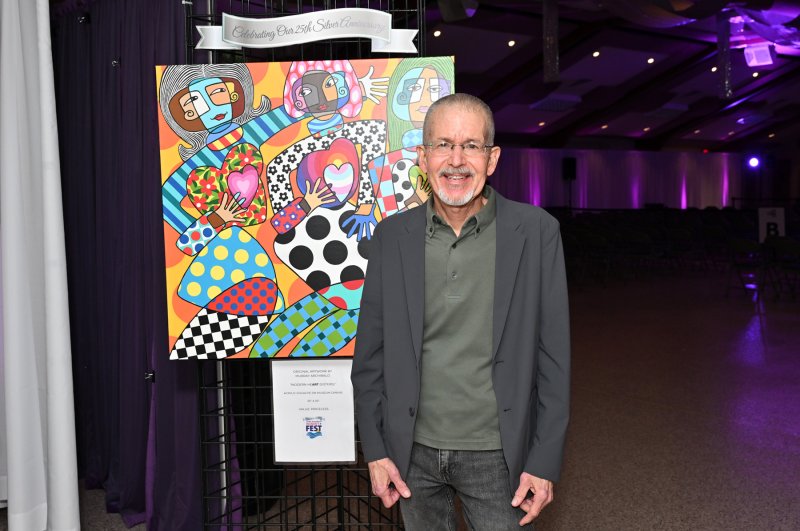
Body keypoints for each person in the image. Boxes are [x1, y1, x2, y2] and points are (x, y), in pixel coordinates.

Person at [351, 93, 570, 529]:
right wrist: (375, 449)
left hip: (498, 454)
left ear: (492, 159)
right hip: (411, 455)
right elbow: (370, 356)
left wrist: (544, 460)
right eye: (442, 145)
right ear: (423, 157)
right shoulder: (392, 237)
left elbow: (554, 360)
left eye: (471, 145)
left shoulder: (537, 232)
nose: (456, 159)